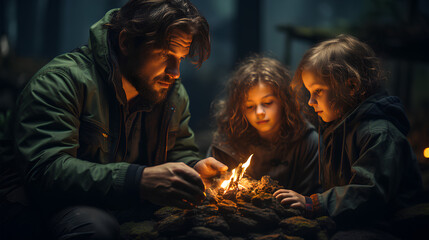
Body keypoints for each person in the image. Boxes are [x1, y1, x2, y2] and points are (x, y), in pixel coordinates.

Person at [1, 0, 228, 239]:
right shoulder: (60, 83)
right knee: (94, 228)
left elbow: (178, 150)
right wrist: (137, 180)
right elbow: (46, 171)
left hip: (126, 203)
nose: (175, 72)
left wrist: (193, 169)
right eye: (165, 54)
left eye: (180, 58)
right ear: (126, 42)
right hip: (42, 206)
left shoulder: (169, 91)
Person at [274, 34, 424, 237]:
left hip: (393, 226)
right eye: (309, 92)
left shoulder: (380, 133)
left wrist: (315, 203)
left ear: (351, 86)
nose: (310, 102)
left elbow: (368, 193)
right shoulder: (337, 128)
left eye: (318, 91)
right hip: (359, 220)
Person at [208, 55, 320, 196]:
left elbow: (314, 197)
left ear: (284, 102)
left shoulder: (307, 142)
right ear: (239, 109)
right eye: (250, 106)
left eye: (267, 103)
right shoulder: (226, 142)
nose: (259, 112)